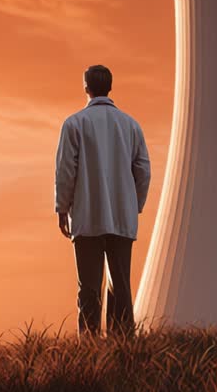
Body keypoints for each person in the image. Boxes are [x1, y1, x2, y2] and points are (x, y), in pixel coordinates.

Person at [54, 65, 151, 337]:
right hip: (122, 218)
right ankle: (124, 344)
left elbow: (65, 171)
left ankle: (90, 343)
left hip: (87, 218)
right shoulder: (131, 125)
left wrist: (62, 208)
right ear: (110, 87)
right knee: (121, 285)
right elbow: (143, 170)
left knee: (88, 288)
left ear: (86, 87)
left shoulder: (74, 124)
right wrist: (134, 204)